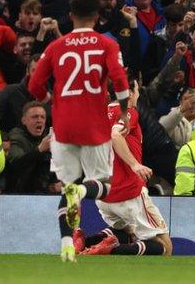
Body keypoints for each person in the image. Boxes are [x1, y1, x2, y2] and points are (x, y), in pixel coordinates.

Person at [27, 0, 129, 262]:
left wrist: (52, 99)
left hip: (63, 127)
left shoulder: (56, 46)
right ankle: (82, 191)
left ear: (71, 16)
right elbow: (119, 79)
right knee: (102, 185)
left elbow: (34, 85)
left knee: (66, 185)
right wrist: (125, 110)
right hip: (94, 127)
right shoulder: (107, 44)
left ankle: (66, 246)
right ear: (97, 17)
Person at [74, 77, 173, 256]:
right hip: (129, 192)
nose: (138, 95)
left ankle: (84, 242)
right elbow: (115, 135)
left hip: (104, 196)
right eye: (137, 91)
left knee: (127, 231)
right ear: (128, 94)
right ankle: (112, 250)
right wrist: (135, 165)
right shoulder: (128, 111)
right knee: (165, 247)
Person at [5, 101, 56, 194]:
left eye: (42, 117)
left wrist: (57, 184)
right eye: (35, 117)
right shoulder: (16, 136)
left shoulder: (49, 137)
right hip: (19, 194)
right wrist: (39, 150)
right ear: (24, 120)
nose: (39, 120)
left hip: (45, 194)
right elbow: (16, 163)